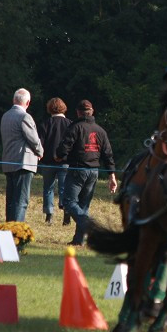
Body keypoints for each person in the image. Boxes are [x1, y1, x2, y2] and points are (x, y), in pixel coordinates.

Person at [55, 99, 118, 245]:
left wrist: (58, 156)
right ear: (92, 112)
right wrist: (112, 175)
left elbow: (64, 147)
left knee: (69, 202)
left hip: (78, 169)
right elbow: (108, 154)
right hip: (94, 172)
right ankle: (79, 240)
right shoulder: (101, 131)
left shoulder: (75, 127)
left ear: (78, 112)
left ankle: (87, 224)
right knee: (84, 206)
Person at [0, 88, 43, 223]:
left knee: (11, 200)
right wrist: (40, 152)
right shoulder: (25, 117)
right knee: (21, 201)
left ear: (14, 100)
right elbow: (34, 140)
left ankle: (8, 230)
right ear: (28, 102)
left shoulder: (5, 116)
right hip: (23, 163)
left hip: (8, 162)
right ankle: (17, 233)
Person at [38, 97, 72, 225]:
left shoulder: (45, 124)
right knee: (65, 189)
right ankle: (66, 215)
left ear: (49, 109)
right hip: (65, 162)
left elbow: (40, 143)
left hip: (47, 161)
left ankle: (49, 215)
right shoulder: (70, 124)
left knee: (48, 188)